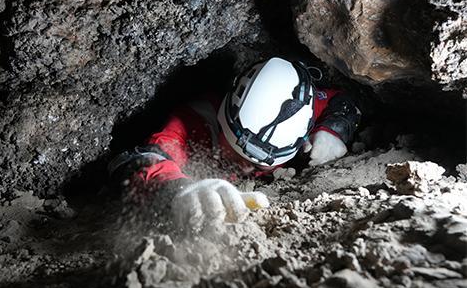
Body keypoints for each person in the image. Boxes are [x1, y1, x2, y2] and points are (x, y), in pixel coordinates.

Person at [109, 57, 363, 228]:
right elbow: (140, 160)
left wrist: (334, 130)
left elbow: (340, 101)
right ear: (223, 122)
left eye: (256, 163)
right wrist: (179, 190)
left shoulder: (297, 105)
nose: (245, 168)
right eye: (238, 155)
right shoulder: (193, 123)